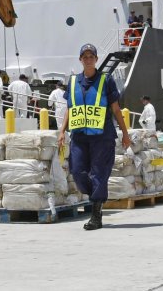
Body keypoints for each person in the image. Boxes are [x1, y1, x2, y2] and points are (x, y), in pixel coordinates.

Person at [57, 43, 132, 231]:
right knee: (77, 171)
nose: (88, 59)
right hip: (80, 135)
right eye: (85, 56)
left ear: (96, 59)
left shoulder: (106, 80)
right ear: (80, 60)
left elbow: (115, 109)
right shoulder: (73, 81)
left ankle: (96, 214)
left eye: (92, 56)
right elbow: (70, 109)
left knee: (99, 174)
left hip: (102, 136)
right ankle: (96, 196)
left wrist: (125, 133)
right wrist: (61, 131)